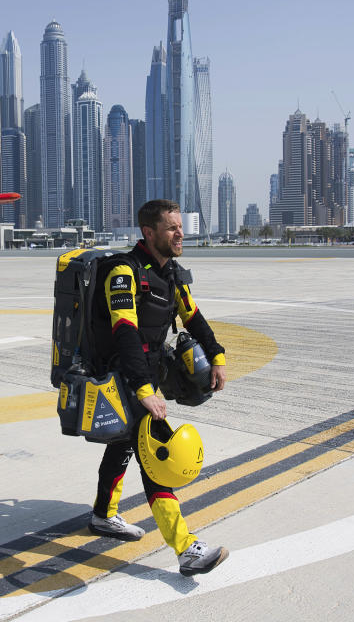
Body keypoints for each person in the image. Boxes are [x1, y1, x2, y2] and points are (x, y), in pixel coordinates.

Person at [87, 198, 229, 576]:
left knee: (122, 445)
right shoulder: (123, 271)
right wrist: (142, 388)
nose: (180, 233)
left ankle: (103, 514)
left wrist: (216, 355)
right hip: (124, 376)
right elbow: (124, 331)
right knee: (157, 457)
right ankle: (186, 549)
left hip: (147, 375)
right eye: (172, 227)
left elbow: (193, 317)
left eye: (180, 226)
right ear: (149, 233)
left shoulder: (172, 275)